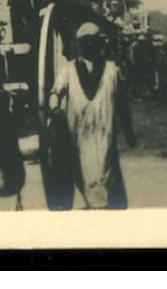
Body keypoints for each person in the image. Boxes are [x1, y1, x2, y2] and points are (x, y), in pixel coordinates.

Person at [47, 20, 129, 210]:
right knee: (83, 169)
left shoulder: (111, 69)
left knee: (103, 170)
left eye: (94, 41)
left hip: (104, 130)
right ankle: (94, 205)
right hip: (78, 131)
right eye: (86, 41)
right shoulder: (67, 70)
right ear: (80, 45)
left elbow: (122, 99)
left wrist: (127, 128)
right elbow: (54, 93)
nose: (90, 45)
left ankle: (99, 206)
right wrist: (55, 109)